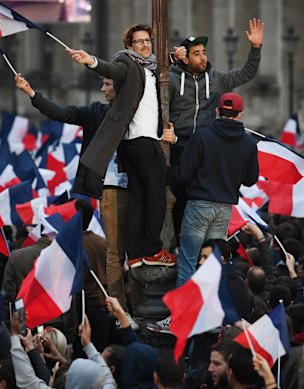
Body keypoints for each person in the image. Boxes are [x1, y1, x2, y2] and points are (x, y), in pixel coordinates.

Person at [15, 74, 138, 328]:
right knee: (114, 252)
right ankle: (120, 308)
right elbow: (63, 113)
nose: (102, 88)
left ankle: (131, 305)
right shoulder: (95, 112)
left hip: (136, 188)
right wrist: (32, 94)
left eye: (107, 84)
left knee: (135, 251)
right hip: (105, 189)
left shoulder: (140, 113)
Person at [67, 23, 177, 269]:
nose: (145, 45)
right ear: (129, 46)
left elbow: (158, 64)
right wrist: (92, 61)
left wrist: (172, 56)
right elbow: (112, 68)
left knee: (138, 195)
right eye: (139, 42)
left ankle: (136, 253)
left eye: (148, 40)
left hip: (132, 144)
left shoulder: (147, 66)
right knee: (157, 194)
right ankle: (152, 249)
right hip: (143, 139)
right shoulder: (127, 62)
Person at [168, 18, 264, 239]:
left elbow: (246, 73)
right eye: (196, 53)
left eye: (204, 52)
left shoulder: (216, 79)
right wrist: (170, 59)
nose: (203, 57)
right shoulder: (171, 79)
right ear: (185, 58)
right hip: (178, 145)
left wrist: (255, 47)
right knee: (178, 194)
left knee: (196, 199)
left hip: (204, 146)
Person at [169, 92, 258, 288]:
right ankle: (210, 311)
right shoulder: (249, 143)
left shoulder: (202, 135)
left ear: (217, 111)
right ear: (240, 114)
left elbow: (183, 172)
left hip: (198, 205)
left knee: (188, 261)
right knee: (215, 262)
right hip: (224, 208)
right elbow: (251, 180)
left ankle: (183, 315)